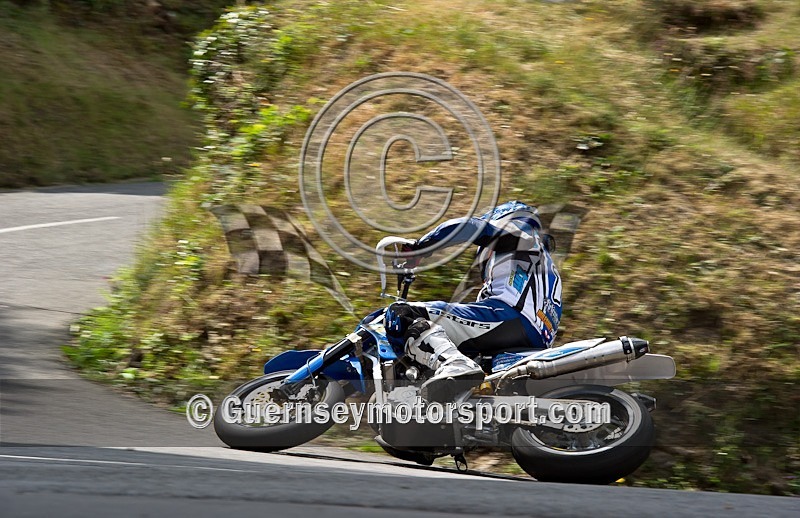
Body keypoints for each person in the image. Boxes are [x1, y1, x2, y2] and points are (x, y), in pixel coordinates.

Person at [384, 201, 563, 403]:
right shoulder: (538, 266)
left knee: (405, 314)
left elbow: (468, 227)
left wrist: (420, 247)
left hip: (510, 318)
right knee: (443, 340)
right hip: (534, 337)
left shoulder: (522, 235)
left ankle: (454, 364)